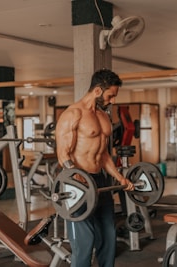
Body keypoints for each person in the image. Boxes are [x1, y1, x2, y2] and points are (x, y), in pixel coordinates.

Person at [55, 69, 134, 267]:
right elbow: (62, 154)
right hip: (77, 184)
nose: (112, 101)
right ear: (98, 91)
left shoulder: (103, 117)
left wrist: (119, 177)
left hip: (100, 180)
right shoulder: (72, 114)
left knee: (108, 235)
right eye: (111, 96)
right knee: (84, 241)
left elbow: (104, 154)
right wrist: (77, 175)